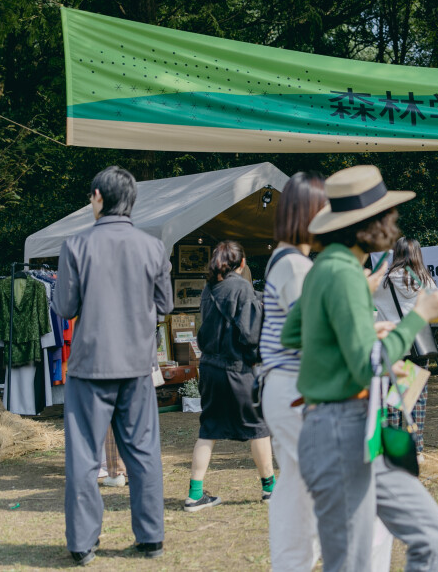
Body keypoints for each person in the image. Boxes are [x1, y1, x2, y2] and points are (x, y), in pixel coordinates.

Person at [281, 165, 438, 571]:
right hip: (340, 434)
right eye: (385, 213)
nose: (393, 220)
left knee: (432, 538)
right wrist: (419, 316)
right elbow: (366, 366)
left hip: (357, 431)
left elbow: (293, 334)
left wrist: (362, 331)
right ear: (366, 226)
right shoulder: (342, 274)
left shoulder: (328, 269)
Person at [55, 165, 172, 564]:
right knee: (142, 452)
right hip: (137, 364)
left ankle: (83, 544)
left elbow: (65, 306)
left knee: (84, 456)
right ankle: (151, 537)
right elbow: (165, 305)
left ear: (98, 198)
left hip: (90, 367)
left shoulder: (75, 245)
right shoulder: (153, 247)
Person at [259, 172, 328, 571]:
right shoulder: (296, 266)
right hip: (296, 387)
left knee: (295, 488)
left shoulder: (284, 259)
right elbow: (313, 333)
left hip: (282, 388)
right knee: (315, 488)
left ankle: (292, 563)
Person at [185, 240, 273, 512]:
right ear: (242, 263)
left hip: (209, 367)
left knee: (208, 429)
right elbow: (249, 334)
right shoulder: (242, 288)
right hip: (237, 369)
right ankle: (270, 489)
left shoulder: (209, 289)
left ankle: (194, 494)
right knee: (258, 428)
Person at [373, 237, 437, 454]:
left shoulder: (383, 282)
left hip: (392, 347)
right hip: (417, 347)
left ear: (396, 254)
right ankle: (416, 450)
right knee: (415, 400)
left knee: (391, 401)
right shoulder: (425, 281)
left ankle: (394, 449)